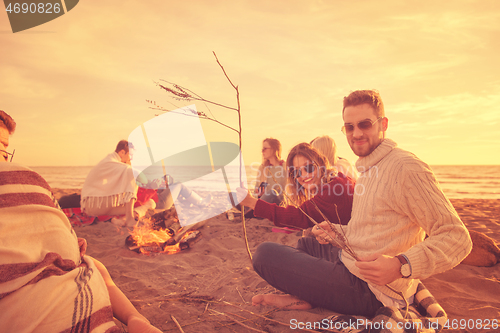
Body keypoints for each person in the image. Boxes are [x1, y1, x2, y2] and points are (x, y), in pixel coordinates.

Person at [251, 90, 472, 318]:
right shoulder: (368, 169)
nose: (356, 133)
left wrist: (400, 265)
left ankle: (309, 296)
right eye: (349, 127)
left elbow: (456, 237)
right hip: (352, 262)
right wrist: (336, 231)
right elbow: (370, 229)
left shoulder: (406, 167)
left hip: (372, 289)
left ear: (383, 124)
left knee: (264, 254)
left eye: (364, 124)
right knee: (307, 244)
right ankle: (305, 298)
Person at [0, 111, 162, 333]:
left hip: (82, 298)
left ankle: (135, 318)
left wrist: (64, 241)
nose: (4, 158)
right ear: (123, 152)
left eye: (6, 149)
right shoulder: (27, 180)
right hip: (68, 311)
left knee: (98, 266)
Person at [81, 140, 210, 227]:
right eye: (130, 155)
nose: (131, 159)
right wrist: (152, 182)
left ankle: (192, 200)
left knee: (169, 181)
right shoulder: (122, 168)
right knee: (179, 184)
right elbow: (138, 177)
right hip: (157, 202)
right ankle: (200, 202)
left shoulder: (112, 165)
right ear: (122, 152)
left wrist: (157, 182)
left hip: (95, 203)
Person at [238, 142, 354, 230]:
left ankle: (248, 210)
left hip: (350, 254)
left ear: (320, 163)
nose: (304, 175)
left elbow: (299, 217)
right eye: (296, 172)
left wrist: (251, 202)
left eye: (308, 168)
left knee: (265, 251)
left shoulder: (334, 187)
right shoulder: (334, 180)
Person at [253, 138, 287, 206]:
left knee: (272, 193)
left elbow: (288, 191)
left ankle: (253, 210)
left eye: (264, 149)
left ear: (274, 149)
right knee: (233, 195)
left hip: (279, 202)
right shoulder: (262, 168)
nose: (262, 152)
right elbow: (255, 191)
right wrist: (258, 193)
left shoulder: (285, 167)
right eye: (262, 149)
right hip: (263, 201)